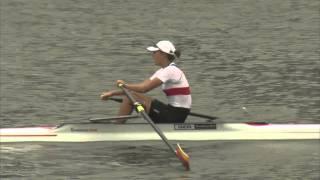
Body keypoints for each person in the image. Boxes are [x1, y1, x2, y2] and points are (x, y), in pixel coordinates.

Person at [100, 40, 192, 123]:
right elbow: (141, 87)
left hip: (175, 116)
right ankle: (118, 125)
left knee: (130, 97)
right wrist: (112, 93)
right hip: (171, 111)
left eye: (154, 52)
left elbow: (144, 89)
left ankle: (117, 128)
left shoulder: (171, 70)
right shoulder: (162, 71)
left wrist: (125, 85)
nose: (152, 55)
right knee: (132, 96)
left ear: (163, 54)